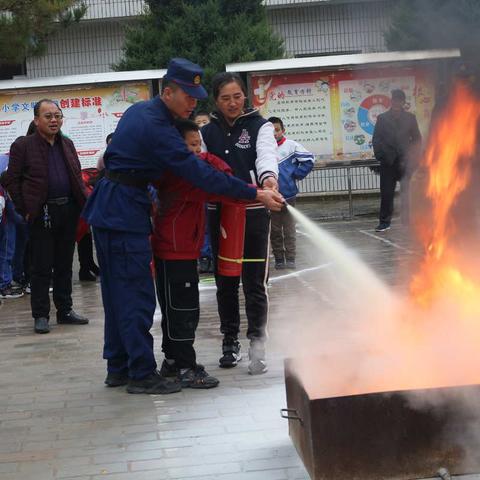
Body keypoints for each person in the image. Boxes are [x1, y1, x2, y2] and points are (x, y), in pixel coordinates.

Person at [82, 58, 283, 395]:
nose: (193, 103)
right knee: (135, 295)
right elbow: (198, 173)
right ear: (169, 91)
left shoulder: (139, 111)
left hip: (110, 206)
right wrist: (254, 193)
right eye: (188, 96)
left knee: (116, 293)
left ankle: (118, 366)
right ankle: (142, 374)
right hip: (123, 210)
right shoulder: (158, 127)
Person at [153, 119, 242, 389]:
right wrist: (258, 194)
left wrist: (202, 156)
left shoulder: (186, 167)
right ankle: (185, 367)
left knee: (176, 308)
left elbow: (221, 170)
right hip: (175, 248)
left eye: (197, 145)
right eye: (189, 146)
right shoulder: (181, 174)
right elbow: (223, 185)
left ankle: (172, 361)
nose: (195, 152)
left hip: (180, 247)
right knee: (183, 309)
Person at [202, 72, 279, 375]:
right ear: (216, 101)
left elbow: (266, 158)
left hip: (255, 211)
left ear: (245, 97)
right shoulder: (208, 132)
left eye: (237, 96)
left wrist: (269, 179)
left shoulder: (260, 127)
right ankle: (229, 340)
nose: (232, 103)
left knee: (254, 281)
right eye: (225, 98)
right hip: (221, 212)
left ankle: (257, 343)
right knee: (225, 280)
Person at [4, 99, 89, 334]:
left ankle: (65, 311)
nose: (54, 120)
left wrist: (86, 206)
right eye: (48, 116)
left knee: (64, 265)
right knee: (41, 267)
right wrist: (25, 208)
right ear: (36, 120)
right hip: (41, 213)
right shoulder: (24, 146)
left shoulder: (68, 144)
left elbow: (76, 175)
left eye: (57, 116)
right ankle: (41, 315)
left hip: (68, 211)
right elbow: (11, 179)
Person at [268, 116, 315, 270]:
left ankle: (291, 258)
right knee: (274, 230)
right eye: (271, 131)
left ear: (283, 130)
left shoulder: (291, 145)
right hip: (271, 197)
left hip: (289, 196)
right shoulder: (264, 149)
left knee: (289, 229)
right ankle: (279, 259)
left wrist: (296, 174)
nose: (274, 133)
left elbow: (309, 159)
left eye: (277, 130)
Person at [372, 89, 422, 232]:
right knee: (386, 193)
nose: (397, 103)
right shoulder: (382, 118)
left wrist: (414, 157)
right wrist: (380, 155)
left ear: (403, 102)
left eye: (400, 100)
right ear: (391, 101)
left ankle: (407, 220)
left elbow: (417, 139)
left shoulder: (410, 118)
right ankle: (384, 222)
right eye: (395, 100)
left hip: (405, 161)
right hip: (388, 162)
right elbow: (376, 139)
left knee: (407, 192)